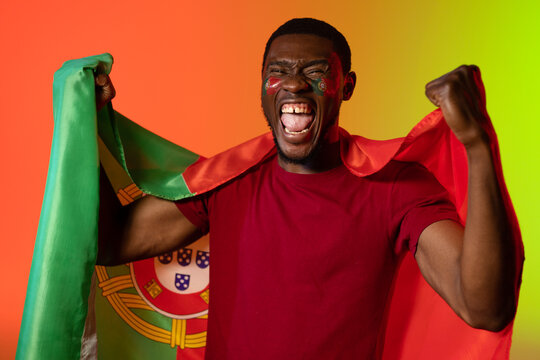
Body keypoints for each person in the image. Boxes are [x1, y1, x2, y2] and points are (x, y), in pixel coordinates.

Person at [95, 18, 520, 359]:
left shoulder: (395, 187)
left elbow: (485, 307)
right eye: (278, 72)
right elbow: (111, 241)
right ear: (262, 85)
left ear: (347, 86)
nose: (294, 83)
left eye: (316, 72)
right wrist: (82, 123)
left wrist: (478, 144)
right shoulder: (229, 179)